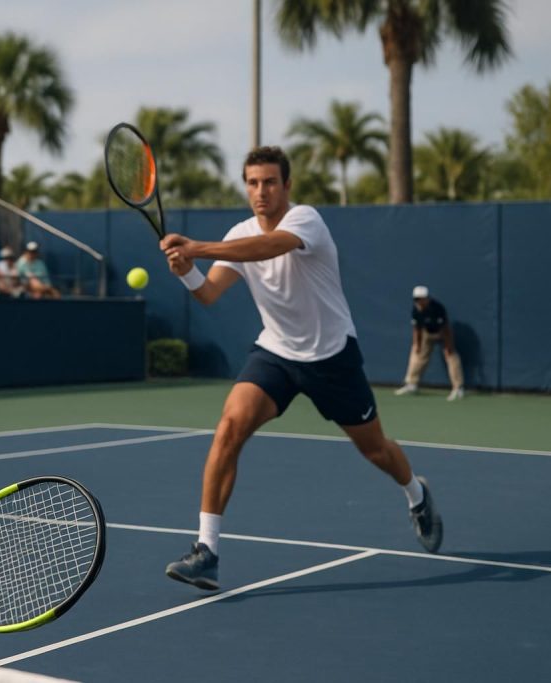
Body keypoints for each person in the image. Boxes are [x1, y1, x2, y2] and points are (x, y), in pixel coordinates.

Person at [160, 146, 443, 591]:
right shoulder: (239, 233)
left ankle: (416, 493)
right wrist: (186, 271)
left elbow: (268, 247)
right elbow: (209, 293)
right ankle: (206, 551)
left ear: (287, 186)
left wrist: (196, 246)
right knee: (229, 428)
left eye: (270, 182)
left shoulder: (305, 220)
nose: (261, 191)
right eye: (253, 183)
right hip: (275, 354)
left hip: (332, 358)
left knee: (376, 452)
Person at [395, 285, 465, 401]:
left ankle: (458, 388)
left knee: (451, 355)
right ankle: (411, 384)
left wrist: (448, 346)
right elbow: (416, 329)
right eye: (415, 299)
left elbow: (446, 329)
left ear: (426, 298)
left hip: (442, 333)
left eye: (420, 299)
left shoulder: (438, 308)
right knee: (416, 353)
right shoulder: (416, 310)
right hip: (426, 333)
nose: (417, 301)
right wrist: (417, 345)